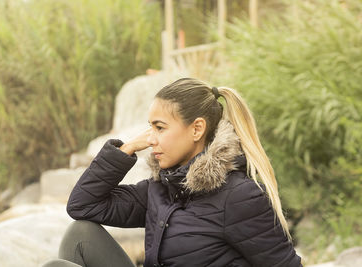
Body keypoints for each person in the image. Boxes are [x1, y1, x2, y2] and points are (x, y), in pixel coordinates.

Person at [43, 78, 303, 267]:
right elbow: (83, 206)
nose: (151, 139)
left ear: (197, 129)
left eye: (160, 128)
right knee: (80, 235)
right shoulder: (160, 189)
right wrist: (128, 148)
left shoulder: (239, 196)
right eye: (150, 128)